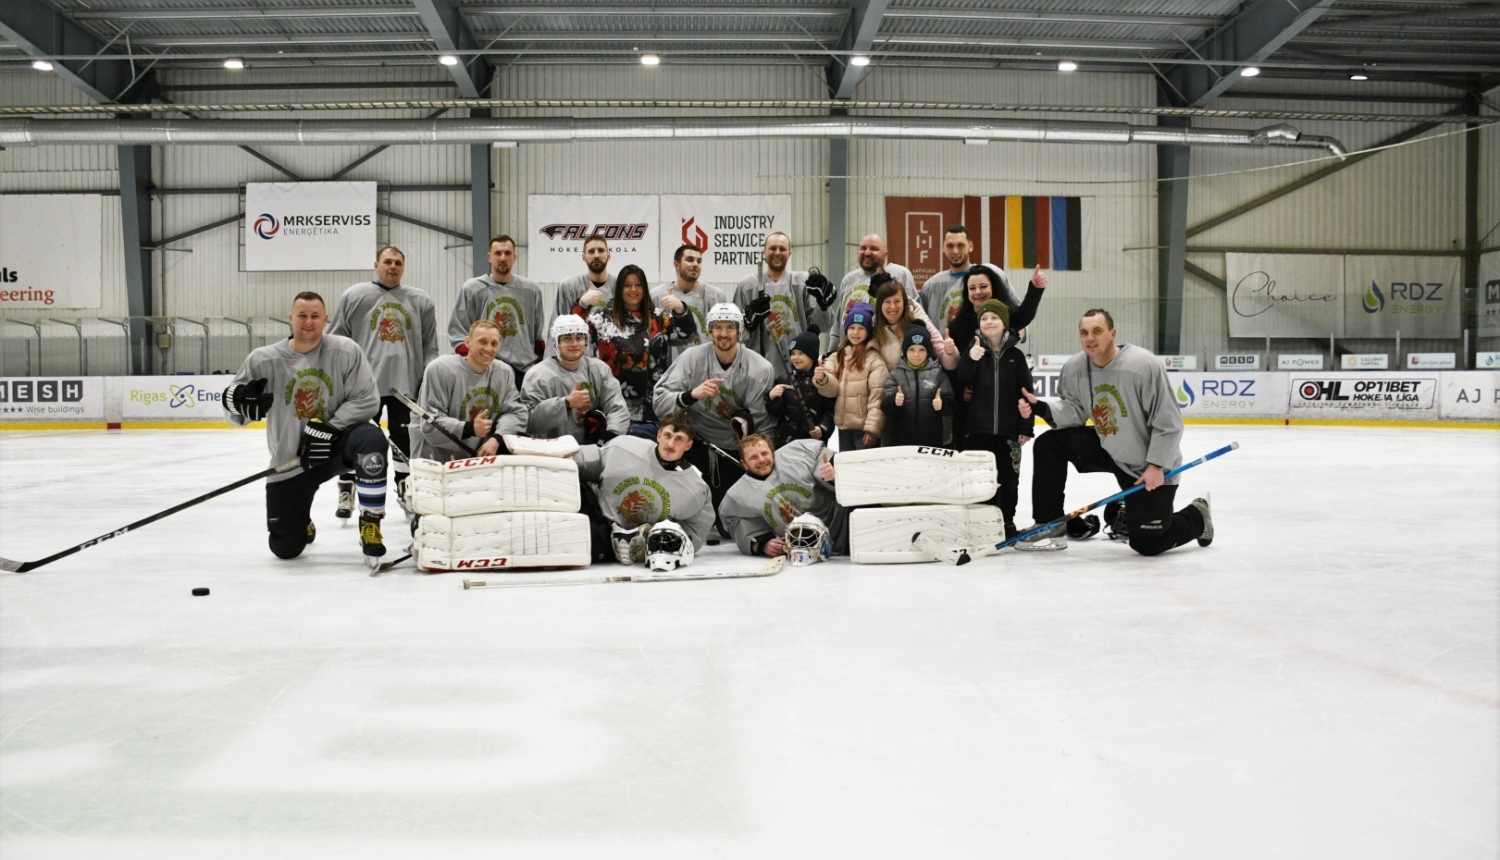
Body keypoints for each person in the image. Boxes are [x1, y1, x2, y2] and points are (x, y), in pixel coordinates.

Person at [1018, 308, 1212, 555]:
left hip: (1146, 465)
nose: (1090, 338)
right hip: (1107, 446)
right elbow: (1075, 411)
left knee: (1147, 544)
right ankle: (1049, 524)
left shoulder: (1142, 366)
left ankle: (1197, 516)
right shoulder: (1075, 367)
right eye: (1084, 332)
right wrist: (1041, 408)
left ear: (1113, 333)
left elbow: (1169, 423)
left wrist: (1156, 465)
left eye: (1097, 331)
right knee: (1049, 444)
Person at [222, 291, 386, 563]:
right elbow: (233, 413)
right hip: (292, 460)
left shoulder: (346, 351)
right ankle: (302, 522)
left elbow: (367, 400)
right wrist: (237, 403)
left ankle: (371, 523)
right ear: (291, 318)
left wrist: (330, 428)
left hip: (335, 447)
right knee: (285, 549)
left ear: (326, 319)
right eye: (302, 316)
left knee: (372, 439)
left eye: (315, 316)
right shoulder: (263, 360)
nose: (308, 322)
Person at [325, 245, 439, 519]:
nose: (393, 266)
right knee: (355, 440)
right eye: (387, 261)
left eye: (398, 262)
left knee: (404, 441)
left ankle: (405, 488)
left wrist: (427, 379)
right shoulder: (355, 296)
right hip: (364, 389)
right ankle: (347, 488)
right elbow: (337, 341)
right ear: (376, 265)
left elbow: (430, 346)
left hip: (406, 387)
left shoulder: (420, 300)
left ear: (403, 267)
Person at [652, 302, 774, 515]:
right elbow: (659, 403)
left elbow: (763, 425)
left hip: (733, 448)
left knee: (728, 517)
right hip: (694, 442)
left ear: (739, 332)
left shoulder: (760, 368)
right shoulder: (691, 358)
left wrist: (756, 459)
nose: (723, 334)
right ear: (709, 331)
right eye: (718, 327)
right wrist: (691, 395)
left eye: (730, 328)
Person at [574, 410, 716, 566]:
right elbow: (581, 461)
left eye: (679, 439)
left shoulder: (696, 490)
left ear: (688, 445)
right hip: (598, 514)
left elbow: (694, 535)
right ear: (659, 435)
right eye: (668, 435)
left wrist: (655, 539)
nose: (670, 444)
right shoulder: (624, 446)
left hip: (631, 539)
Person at [578, 263, 695, 436]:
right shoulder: (602, 317)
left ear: (644, 288)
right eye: (627, 285)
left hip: (652, 409)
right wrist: (583, 305)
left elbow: (686, 336)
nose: (633, 290)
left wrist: (680, 309)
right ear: (619, 289)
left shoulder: (659, 317)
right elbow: (572, 334)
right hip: (612, 406)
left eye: (638, 285)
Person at [955, 299, 1034, 539]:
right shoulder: (974, 351)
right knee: (980, 481)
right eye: (984, 318)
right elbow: (961, 380)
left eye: (994, 318)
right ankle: (981, 523)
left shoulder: (1016, 357)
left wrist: (1026, 427)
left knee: (1009, 480)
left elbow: (1026, 393)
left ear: (1004, 323)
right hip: (979, 432)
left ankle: (1007, 521)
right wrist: (969, 357)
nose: (989, 322)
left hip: (1009, 433)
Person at [946, 263, 1047, 448]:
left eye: (983, 286)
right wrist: (961, 391)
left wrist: (1035, 289)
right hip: (972, 417)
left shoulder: (1006, 321)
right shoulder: (958, 326)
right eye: (972, 288)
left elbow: (1025, 315)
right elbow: (956, 370)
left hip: (1005, 420)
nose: (978, 292)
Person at [411, 320, 529, 462]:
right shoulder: (440, 369)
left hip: (479, 459)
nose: (488, 348)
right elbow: (430, 421)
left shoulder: (504, 372)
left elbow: (516, 412)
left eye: (494, 344)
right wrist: (469, 428)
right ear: (468, 342)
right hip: (436, 460)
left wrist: (497, 438)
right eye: (482, 341)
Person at [720, 434, 847, 558]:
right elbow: (735, 521)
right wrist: (763, 544)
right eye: (753, 457)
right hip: (803, 548)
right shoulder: (738, 495)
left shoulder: (798, 453)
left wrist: (835, 474)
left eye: (764, 453)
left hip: (843, 523)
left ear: (773, 452)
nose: (761, 460)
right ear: (744, 464)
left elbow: (822, 457)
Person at [447, 234, 546, 388]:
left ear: (514, 257)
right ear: (489, 257)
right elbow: (458, 332)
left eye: (507, 253)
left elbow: (537, 336)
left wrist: (541, 365)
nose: (503, 258)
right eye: (498, 253)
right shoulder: (472, 288)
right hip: (485, 369)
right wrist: (472, 362)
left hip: (523, 371)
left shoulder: (531, 290)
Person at [521, 314, 630, 444]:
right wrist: (565, 404)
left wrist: (612, 434)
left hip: (593, 450)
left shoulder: (599, 370)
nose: (574, 344)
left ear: (586, 341)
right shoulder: (537, 375)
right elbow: (529, 422)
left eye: (579, 338)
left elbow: (616, 407)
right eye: (567, 338)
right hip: (552, 450)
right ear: (556, 342)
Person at [733, 231, 814, 379]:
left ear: (789, 253)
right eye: (772, 248)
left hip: (796, 369)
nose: (777, 252)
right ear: (764, 251)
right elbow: (734, 333)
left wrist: (824, 305)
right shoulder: (747, 285)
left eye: (782, 249)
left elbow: (820, 325)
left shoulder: (802, 283)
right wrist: (747, 322)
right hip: (758, 371)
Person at [813, 301, 887, 452]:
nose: (855, 332)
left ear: (868, 331)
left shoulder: (875, 360)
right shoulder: (838, 356)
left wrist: (872, 429)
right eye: (852, 327)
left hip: (864, 430)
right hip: (844, 428)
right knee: (846, 464)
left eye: (861, 328)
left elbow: (877, 398)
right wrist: (823, 378)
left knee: (864, 465)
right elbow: (832, 389)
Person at [826, 233, 924, 334]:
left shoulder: (899, 273)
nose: (867, 253)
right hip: (849, 343)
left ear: (885, 255)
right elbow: (839, 323)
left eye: (874, 249)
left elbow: (914, 313)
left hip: (885, 342)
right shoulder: (849, 279)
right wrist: (835, 344)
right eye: (863, 248)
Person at [881, 322, 953, 448]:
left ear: (928, 352)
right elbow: (885, 407)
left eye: (921, 349)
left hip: (932, 442)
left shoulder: (938, 375)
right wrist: (894, 402)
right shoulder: (895, 375)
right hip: (901, 442)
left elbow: (952, 405)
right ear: (905, 351)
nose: (916, 354)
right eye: (911, 349)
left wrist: (943, 404)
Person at [651, 244, 727, 360]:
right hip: (670, 368)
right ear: (676, 265)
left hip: (704, 366)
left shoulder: (715, 296)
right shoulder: (657, 296)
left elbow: (724, 335)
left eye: (699, 261)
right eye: (690, 260)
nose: (695, 264)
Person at [765, 327, 834, 448]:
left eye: (801, 353)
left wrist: (822, 428)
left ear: (812, 355)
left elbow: (830, 410)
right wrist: (771, 398)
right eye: (793, 353)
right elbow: (776, 412)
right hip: (786, 443)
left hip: (812, 444)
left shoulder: (821, 381)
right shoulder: (784, 379)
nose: (795, 358)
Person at [919, 225, 976, 329]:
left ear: (970, 246)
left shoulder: (986, 278)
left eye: (960, 245)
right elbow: (921, 322)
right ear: (943, 247)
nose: (955, 251)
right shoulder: (931, 286)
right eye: (950, 246)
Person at [553, 233, 615, 323]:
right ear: (584, 257)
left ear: (609, 256)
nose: (596, 255)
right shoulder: (568, 287)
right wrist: (581, 304)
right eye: (591, 251)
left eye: (601, 250)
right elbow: (555, 325)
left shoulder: (620, 286)